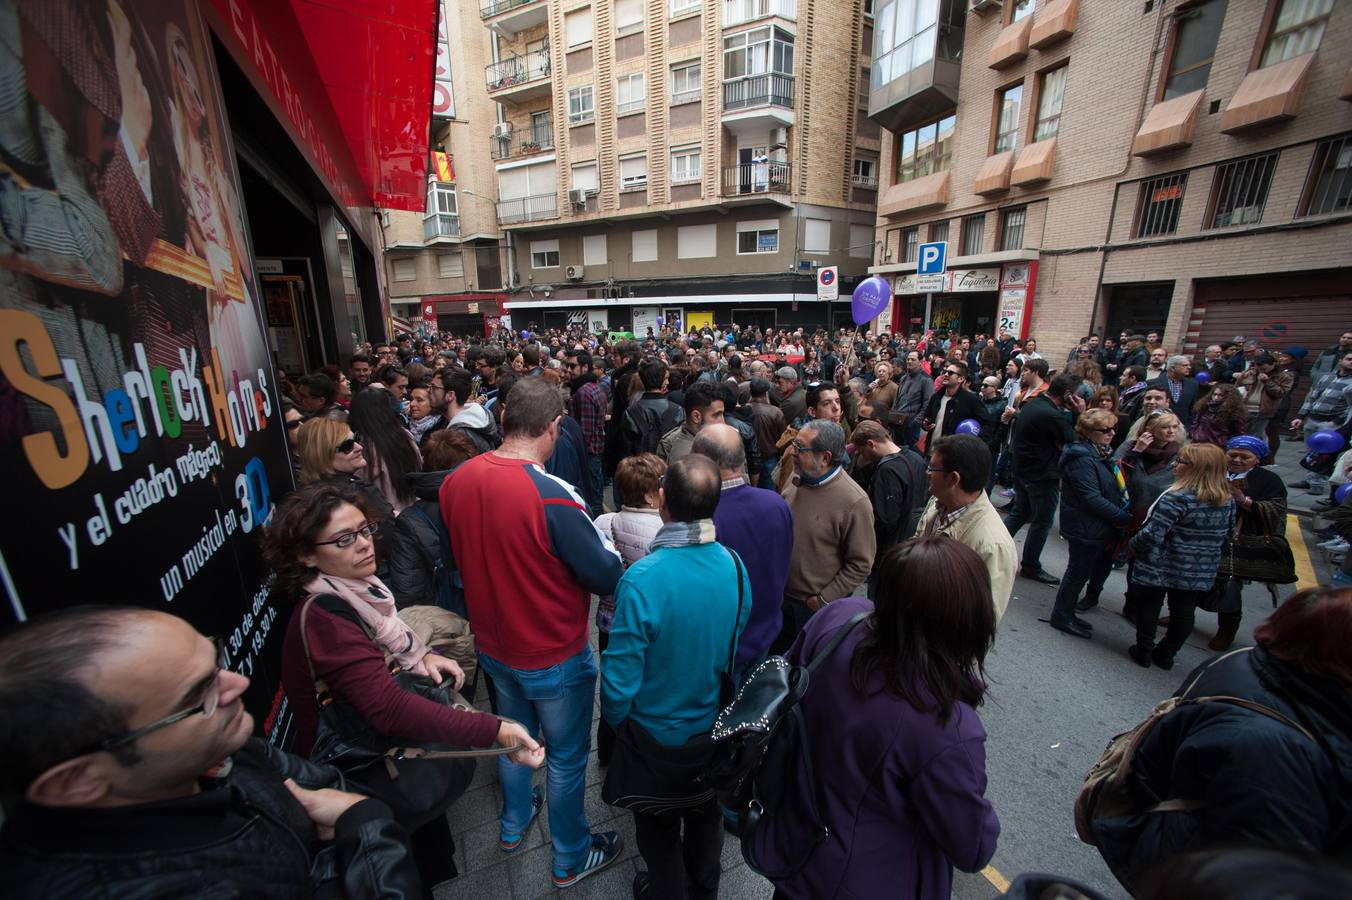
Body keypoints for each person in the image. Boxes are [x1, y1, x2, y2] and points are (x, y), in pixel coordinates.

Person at [0, 607, 424, 899]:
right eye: (199, 695)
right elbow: (347, 807)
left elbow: (326, 784)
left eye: (215, 662)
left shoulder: (219, 754)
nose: (236, 684)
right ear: (78, 781)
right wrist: (365, 827)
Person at [264, 483, 542, 889]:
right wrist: (494, 728)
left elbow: (387, 644)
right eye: (344, 539)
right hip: (370, 771)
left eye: (365, 531)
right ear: (306, 555)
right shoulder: (325, 618)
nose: (363, 545)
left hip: (387, 758)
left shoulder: (360, 592)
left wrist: (423, 655)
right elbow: (387, 707)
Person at [439, 377, 626, 889]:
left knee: (512, 738)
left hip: (494, 647)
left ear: (500, 421)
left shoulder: (456, 481)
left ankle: (513, 821)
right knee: (565, 757)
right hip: (552, 652)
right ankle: (569, 855)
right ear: (553, 426)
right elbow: (605, 574)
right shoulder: (552, 496)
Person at [748, 537, 1000, 899]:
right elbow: (973, 846)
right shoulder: (944, 727)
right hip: (861, 880)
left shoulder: (840, 619)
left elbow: (783, 685)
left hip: (793, 845)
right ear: (967, 619)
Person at [1094, 587, 1352, 892]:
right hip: (1188, 867)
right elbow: (1263, 879)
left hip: (1179, 849)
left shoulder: (1250, 662)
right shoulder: (1272, 749)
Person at [600, 455, 751, 900]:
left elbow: (619, 677)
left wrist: (616, 721)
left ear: (662, 501)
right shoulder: (735, 565)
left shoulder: (643, 578)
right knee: (706, 820)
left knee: (658, 828)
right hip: (711, 728)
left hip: (652, 736)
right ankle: (704, 888)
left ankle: (667, 891)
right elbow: (734, 639)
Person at [691, 424, 794, 680]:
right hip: (767, 633)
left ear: (705, 461)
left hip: (724, 649)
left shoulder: (704, 519)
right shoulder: (776, 504)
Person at [1127, 442, 1236, 670]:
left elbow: (1153, 532)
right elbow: (1228, 536)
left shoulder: (1178, 498)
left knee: (1150, 604)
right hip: (1199, 567)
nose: (1175, 465)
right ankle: (1166, 654)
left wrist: (1134, 545)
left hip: (1162, 562)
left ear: (1197, 468)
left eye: (1181, 462)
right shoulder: (1227, 500)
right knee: (1184, 611)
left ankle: (1144, 650)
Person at [591, 453, 667, 765]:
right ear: (651, 494)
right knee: (642, 685)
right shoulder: (663, 529)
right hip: (646, 623)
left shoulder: (603, 522)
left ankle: (606, 750)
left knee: (613, 680)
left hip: (609, 620)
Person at [778, 421, 876, 649]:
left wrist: (823, 600)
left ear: (825, 458)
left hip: (811, 609)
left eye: (800, 448)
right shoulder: (797, 476)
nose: (793, 451)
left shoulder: (855, 502)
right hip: (781, 597)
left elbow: (861, 564)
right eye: (794, 444)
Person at [1047, 409, 1132, 639]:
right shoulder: (1082, 459)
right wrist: (1123, 517)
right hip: (1085, 525)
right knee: (1077, 572)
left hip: (1095, 525)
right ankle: (1062, 615)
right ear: (1087, 433)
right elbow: (1091, 497)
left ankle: (1067, 613)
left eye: (1113, 429)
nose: (1111, 433)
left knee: (1081, 572)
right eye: (1105, 430)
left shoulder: (1099, 453)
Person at [917, 435, 1017, 621]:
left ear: (953, 479)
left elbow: (981, 625)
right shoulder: (937, 502)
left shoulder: (992, 546)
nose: (927, 472)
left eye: (932, 468)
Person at [386, 428, 481, 614]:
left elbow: (408, 595)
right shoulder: (488, 500)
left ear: (426, 464)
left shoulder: (410, 521)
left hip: (448, 622)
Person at [1004, 373, 1085, 585]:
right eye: (1076, 395)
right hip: (1040, 475)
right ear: (1067, 395)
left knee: (1021, 512)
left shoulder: (1034, 405)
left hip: (1025, 470)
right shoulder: (1051, 415)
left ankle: (993, 547)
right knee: (1041, 520)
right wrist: (1079, 414)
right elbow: (1073, 439)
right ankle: (1030, 565)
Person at [1210, 435, 1288, 651]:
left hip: (1239, 540)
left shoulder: (1269, 481)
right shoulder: (1214, 470)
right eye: (1232, 454)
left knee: (1230, 586)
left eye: (1245, 456)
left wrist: (1244, 501)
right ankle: (1181, 614)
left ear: (1257, 459)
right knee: (1194, 578)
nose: (1237, 460)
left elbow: (1277, 512)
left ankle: (1226, 629)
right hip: (1208, 535)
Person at [851, 420, 927, 576]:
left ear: (871, 444)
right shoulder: (916, 458)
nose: (863, 457)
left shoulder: (887, 471)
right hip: (914, 540)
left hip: (890, 548)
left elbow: (886, 518)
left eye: (862, 452)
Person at [348, 389, 420, 513]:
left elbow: (359, 482)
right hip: (412, 507)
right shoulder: (404, 434)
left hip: (388, 513)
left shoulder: (365, 445)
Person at [566, 350, 609, 517]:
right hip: (594, 452)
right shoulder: (592, 387)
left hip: (589, 454)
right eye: (567, 365)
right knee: (595, 493)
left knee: (591, 496)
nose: (568, 370)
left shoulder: (583, 392)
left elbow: (585, 433)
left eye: (572, 366)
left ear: (585, 367)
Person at [922, 360, 989, 444]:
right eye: (945, 372)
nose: (945, 375)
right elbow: (927, 417)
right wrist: (925, 425)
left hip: (955, 453)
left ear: (960, 379)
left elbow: (985, 425)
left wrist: (969, 444)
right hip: (932, 450)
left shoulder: (971, 400)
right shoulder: (936, 397)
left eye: (950, 373)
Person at [658, 380, 725, 464]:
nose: (723, 421)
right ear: (696, 416)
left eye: (722, 414)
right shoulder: (669, 445)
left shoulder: (726, 439)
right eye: (716, 415)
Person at [438, 367, 501, 453]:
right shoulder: (444, 421)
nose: (429, 391)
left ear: (450, 395)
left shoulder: (460, 436)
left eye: (434, 387)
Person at [1233, 352, 1293, 440]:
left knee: (1255, 436)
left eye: (1264, 369)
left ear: (1273, 364)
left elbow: (1281, 393)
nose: (1261, 371)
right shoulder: (1252, 373)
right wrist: (1240, 378)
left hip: (1262, 411)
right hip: (1244, 408)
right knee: (1239, 434)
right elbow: (1238, 387)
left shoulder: (1284, 376)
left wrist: (1267, 382)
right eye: (1259, 369)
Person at [889, 350, 935, 449]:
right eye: (908, 359)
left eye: (913, 359)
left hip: (911, 424)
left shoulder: (926, 380)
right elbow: (897, 399)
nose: (909, 361)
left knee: (910, 453)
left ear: (920, 362)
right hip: (897, 422)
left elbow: (928, 403)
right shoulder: (904, 378)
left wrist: (916, 421)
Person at [747, 375, 788, 487]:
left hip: (749, 460)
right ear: (766, 393)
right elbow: (783, 438)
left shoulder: (744, 410)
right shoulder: (776, 412)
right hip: (770, 460)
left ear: (750, 391)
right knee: (770, 492)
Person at [1148, 355, 1199, 431]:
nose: (1189, 367)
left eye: (1189, 365)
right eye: (1185, 365)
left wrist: (1189, 427)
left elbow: (1193, 408)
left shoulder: (1192, 384)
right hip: (1157, 427)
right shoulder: (1153, 383)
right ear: (1172, 368)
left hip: (1182, 429)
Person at [1190, 381, 1248, 448]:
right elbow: (1196, 423)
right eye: (1214, 394)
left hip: (1218, 446)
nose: (1216, 397)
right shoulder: (1205, 407)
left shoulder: (1234, 412)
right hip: (1198, 443)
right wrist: (1194, 434)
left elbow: (1240, 433)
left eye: (1220, 395)